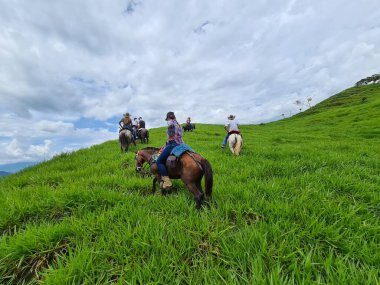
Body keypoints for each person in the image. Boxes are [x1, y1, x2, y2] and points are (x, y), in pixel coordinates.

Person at [156, 111, 184, 189]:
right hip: (180, 144)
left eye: (167, 119)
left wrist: (168, 141)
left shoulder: (170, 122)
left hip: (172, 144)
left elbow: (171, 135)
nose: (167, 121)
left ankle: (167, 181)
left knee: (159, 161)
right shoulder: (178, 124)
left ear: (168, 118)